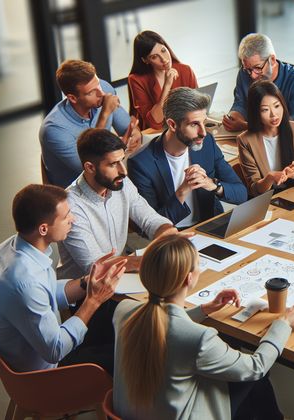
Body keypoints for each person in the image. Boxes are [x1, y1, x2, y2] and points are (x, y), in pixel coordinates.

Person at [112, 234, 294, 419]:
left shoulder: (123, 311)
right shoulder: (199, 339)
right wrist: (283, 323)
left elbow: (164, 324)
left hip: (132, 413)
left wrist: (203, 310)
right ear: (189, 278)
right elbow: (255, 367)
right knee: (258, 378)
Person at [0, 184, 126, 373]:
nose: (73, 220)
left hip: (41, 343)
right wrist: (92, 301)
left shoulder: (11, 250)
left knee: (122, 319)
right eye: (66, 216)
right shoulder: (25, 282)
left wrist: (87, 281)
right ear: (43, 229)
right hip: (49, 373)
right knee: (132, 351)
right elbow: (56, 350)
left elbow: (46, 292)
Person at [58, 128, 178, 280]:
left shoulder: (120, 182)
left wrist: (167, 233)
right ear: (90, 167)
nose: (124, 171)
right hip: (84, 291)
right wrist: (150, 260)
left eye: (122, 160)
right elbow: (95, 266)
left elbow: (149, 218)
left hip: (119, 277)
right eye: (113, 164)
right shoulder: (70, 205)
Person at [128, 87, 247, 227]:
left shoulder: (207, 142)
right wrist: (182, 191)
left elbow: (241, 194)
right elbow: (150, 225)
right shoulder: (140, 163)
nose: (203, 132)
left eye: (204, 122)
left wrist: (213, 185)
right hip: (173, 238)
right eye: (194, 124)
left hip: (210, 226)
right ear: (172, 125)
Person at [40, 60, 142, 188]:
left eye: (98, 84)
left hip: (108, 171)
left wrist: (134, 135)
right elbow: (89, 166)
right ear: (72, 98)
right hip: (76, 190)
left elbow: (127, 128)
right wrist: (104, 113)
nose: (101, 93)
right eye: (91, 92)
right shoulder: (55, 129)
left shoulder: (102, 90)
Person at [237, 80, 294, 196]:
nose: (274, 114)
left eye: (276, 106)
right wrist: (270, 177)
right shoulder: (245, 140)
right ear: (255, 112)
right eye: (265, 109)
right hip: (267, 200)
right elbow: (254, 189)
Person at [223, 33, 294, 132]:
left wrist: (246, 126)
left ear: (272, 60)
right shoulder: (244, 73)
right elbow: (240, 104)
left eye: (257, 68)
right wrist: (232, 118)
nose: (252, 75)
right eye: (248, 69)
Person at [127, 30, 198, 131]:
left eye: (163, 50)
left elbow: (198, 106)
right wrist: (167, 85)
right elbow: (155, 122)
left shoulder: (185, 70)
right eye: (154, 57)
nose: (163, 59)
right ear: (145, 60)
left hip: (185, 128)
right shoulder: (136, 80)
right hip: (156, 133)